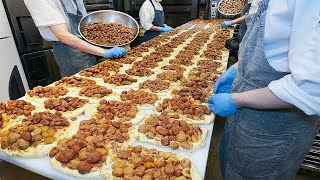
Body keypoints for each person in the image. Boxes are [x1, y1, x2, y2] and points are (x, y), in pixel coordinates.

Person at [208, 0, 320, 179]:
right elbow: (274, 47)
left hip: (273, 130)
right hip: (242, 118)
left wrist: (237, 99)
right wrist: (237, 68)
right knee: (232, 170)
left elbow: (311, 87)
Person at [24, 0, 127, 77]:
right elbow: (63, 36)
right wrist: (103, 52)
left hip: (86, 46)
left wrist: (109, 36)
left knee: (95, 82)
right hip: (68, 51)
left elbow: (86, 25)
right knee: (80, 89)